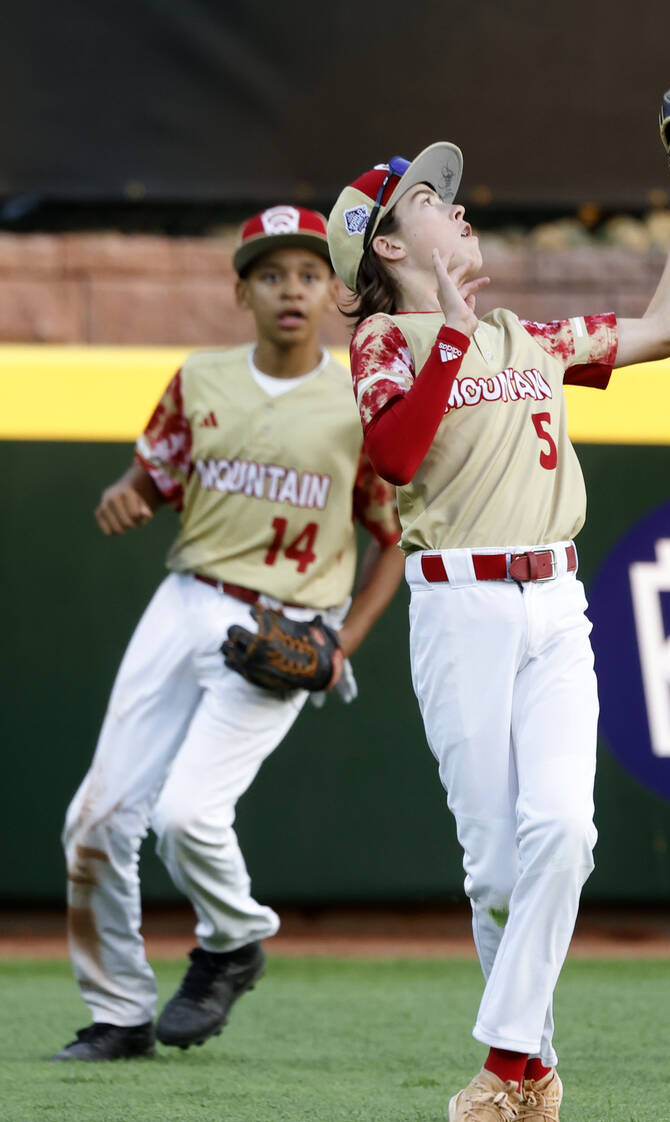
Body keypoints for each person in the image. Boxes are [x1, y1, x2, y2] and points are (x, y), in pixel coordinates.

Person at [327, 145, 670, 1122]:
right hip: (458, 607)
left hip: (555, 600)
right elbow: (394, 458)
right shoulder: (384, 339)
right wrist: (448, 327)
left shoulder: (527, 337)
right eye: (427, 201)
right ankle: (537, 1090)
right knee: (497, 871)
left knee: (566, 833)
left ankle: (498, 1079)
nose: (456, 211)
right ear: (389, 245)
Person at [52, 206, 403, 1062]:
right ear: (240, 290)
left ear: (331, 290)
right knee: (94, 820)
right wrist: (124, 493)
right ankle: (120, 1012)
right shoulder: (199, 377)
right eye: (271, 273)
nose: (291, 289)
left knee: (185, 818)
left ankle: (234, 939)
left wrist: (341, 648)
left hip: (283, 624)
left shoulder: (358, 399)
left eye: (309, 274)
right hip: (186, 600)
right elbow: (151, 473)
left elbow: (393, 539)